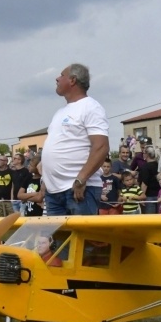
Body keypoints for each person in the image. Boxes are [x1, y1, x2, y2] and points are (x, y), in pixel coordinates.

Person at [41, 63, 109, 216]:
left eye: (61, 75)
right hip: (54, 192)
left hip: (78, 190)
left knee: (83, 239)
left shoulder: (91, 107)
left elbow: (101, 147)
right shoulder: (60, 112)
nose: (57, 79)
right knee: (61, 240)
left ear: (72, 80)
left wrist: (81, 179)